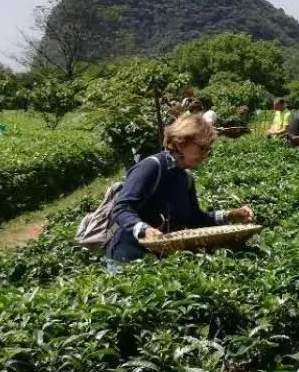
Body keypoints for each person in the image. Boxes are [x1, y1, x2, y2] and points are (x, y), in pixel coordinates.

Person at [105, 113, 254, 267]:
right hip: (128, 260)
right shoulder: (151, 167)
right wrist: (145, 230)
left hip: (161, 260)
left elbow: (195, 218)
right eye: (202, 148)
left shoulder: (186, 178)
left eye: (208, 149)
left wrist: (229, 215)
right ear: (181, 142)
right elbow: (121, 208)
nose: (205, 154)